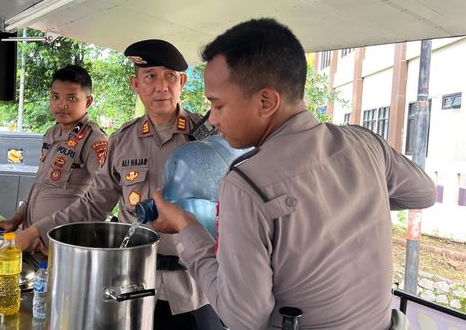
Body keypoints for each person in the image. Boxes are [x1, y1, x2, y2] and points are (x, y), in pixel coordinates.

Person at [150, 19, 437, 329]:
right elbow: (423, 192)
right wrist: (342, 201)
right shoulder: (365, 144)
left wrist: (186, 227)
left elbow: (243, 317)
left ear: (266, 101)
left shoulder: (246, 186)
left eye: (218, 105)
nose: (214, 120)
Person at [15, 39, 225, 329]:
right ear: (135, 85)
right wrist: (35, 231)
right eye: (150, 76)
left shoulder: (212, 138)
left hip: (195, 288)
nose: (161, 86)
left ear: (183, 82)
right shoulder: (122, 142)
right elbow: (93, 205)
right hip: (131, 288)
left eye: (169, 77)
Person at [0, 64, 109, 253]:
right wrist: (16, 218)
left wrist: (44, 233)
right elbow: (40, 183)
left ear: (88, 102)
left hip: (64, 247)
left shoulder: (94, 139)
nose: (61, 104)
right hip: (34, 242)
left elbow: (102, 199)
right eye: (55, 97)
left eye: (71, 98)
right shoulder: (51, 134)